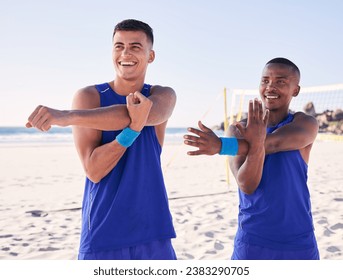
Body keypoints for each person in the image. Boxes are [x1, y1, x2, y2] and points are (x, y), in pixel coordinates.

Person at [26, 19, 177, 260]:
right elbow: (94, 170)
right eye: (119, 46)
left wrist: (66, 117)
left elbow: (144, 111)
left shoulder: (162, 95)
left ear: (151, 56)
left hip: (154, 231)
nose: (125, 53)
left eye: (136, 46)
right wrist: (132, 131)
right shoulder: (89, 97)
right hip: (104, 233)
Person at [184, 57, 320, 260]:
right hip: (252, 240)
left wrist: (222, 146)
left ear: (295, 90)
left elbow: (272, 143)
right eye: (265, 80)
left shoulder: (305, 123)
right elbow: (247, 185)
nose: (270, 87)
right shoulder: (236, 128)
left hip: (299, 240)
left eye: (280, 81)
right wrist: (238, 144)